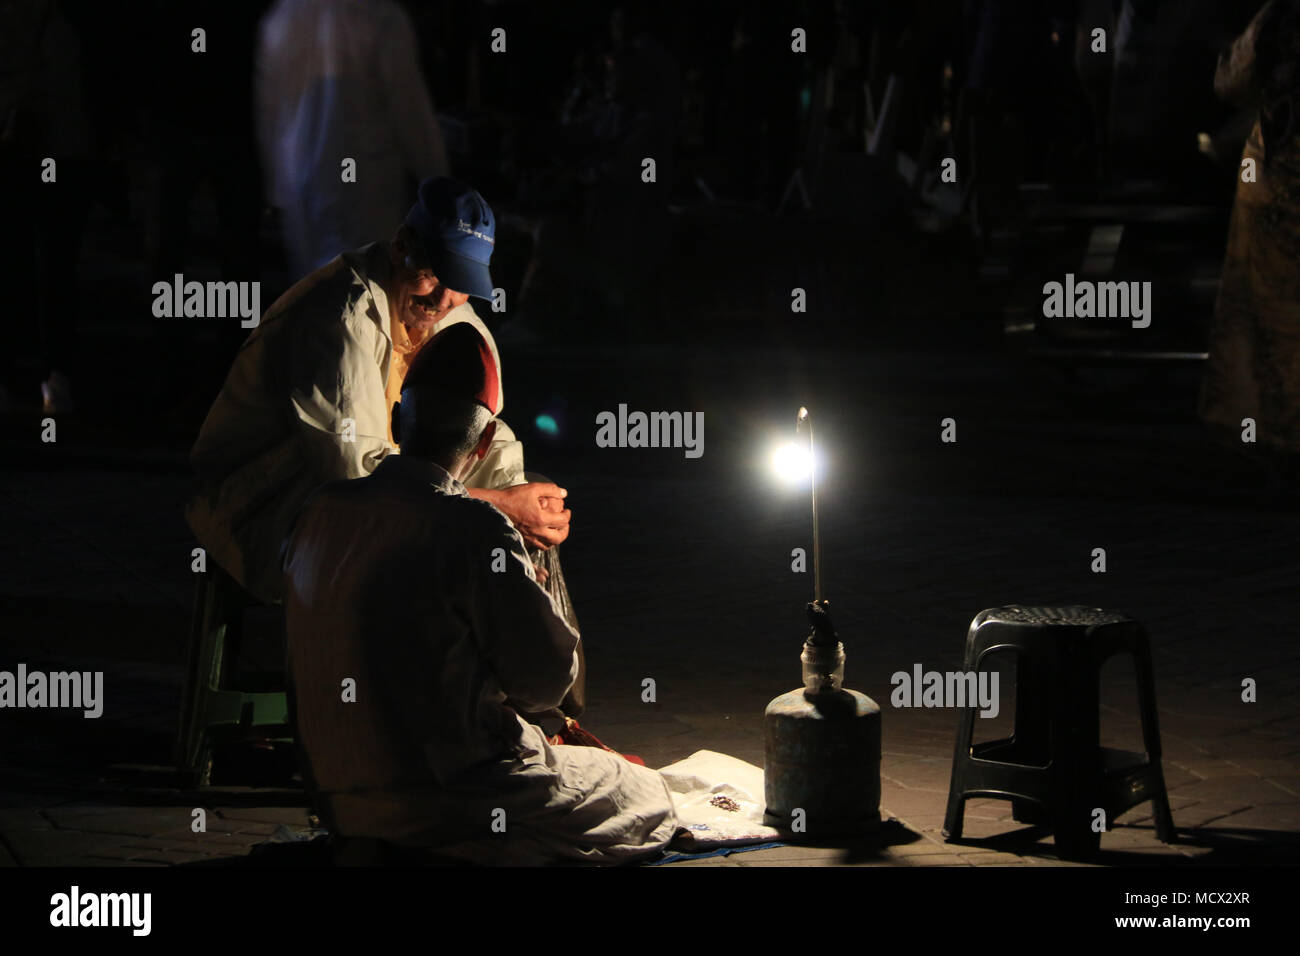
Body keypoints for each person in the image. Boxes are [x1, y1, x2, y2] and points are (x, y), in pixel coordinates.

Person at [282, 323, 678, 864]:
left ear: (397, 421)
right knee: (643, 792)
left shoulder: (319, 511)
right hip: (453, 798)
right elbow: (542, 685)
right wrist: (532, 600)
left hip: (336, 800)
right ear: (486, 443)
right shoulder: (473, 528)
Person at [186, 177, 571, 607]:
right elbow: (359, 481)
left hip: (387, 500)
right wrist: (497, 508)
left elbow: (484, 436)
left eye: (460, 282)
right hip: (268, 506)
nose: (444, 300)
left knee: (530, 508)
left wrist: (515, 523)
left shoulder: (457, 321)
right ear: (401, 246)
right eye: (433, 274)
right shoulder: (339, 318)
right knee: (446, 566)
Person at [255, 0, 450, 277]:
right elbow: (409, 110)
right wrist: (437, 179)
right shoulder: (377, 16)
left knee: (312, 293)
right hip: (366, 186)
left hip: (301, 182)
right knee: (366, 290)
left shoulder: (282, 18)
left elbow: (270, 112)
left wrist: (278, 190)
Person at [1200, 0, 1300, 474]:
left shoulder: (1278, 15)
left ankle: (1264, 428)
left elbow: (1230, 82)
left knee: (1260, 315)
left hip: (1274, 176)